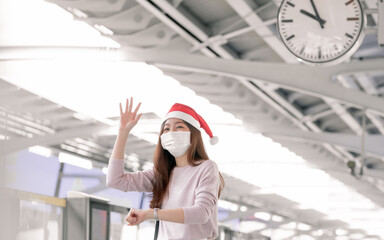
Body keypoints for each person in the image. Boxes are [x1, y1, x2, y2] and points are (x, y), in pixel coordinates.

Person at [107, 97, 225, 240]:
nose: (171, 132)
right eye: (166, 129)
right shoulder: (161, 173)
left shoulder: (206, 168)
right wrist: (122, 132)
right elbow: (115, 180)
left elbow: (201, 213)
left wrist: (151, 214)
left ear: (193, 134)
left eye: (179, 126)